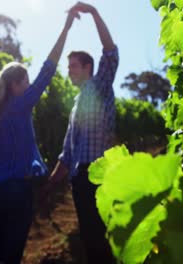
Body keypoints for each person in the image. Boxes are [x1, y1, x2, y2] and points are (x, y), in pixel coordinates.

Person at [0, 10, 77, 264]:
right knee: (10, 258)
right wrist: (66, 29)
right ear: (15, 86)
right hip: (15, 192)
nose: (28, 87)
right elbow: (48, 70)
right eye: (25, 83)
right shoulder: (21, 104)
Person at [43, 2, 118, 264]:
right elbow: (67, 153)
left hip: (97, 175)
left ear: (88, 67)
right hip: (79, 180)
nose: (69, 71)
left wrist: (95, 13)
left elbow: (111, 52)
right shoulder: (75, 105)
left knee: (100, 238)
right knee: (89, 239)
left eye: (73, 65)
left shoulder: (100, 87)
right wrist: (51, 183)